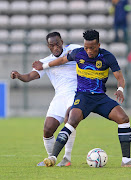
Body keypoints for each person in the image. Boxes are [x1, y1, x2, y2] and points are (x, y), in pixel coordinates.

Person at [32, 29, 131, 168]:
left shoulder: (107, 57)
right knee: (71, 120)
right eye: (86, 47)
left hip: (100, 98)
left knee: (124, 119)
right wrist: (43, 66)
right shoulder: (78, 53)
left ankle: (126, 161)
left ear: (98, 45)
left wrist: (120, 89)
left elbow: (120, 77)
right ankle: (53, 158)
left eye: (92, 48)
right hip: (83, 97)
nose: (89, 51)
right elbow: (61, 60)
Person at [10, 32, 81, 167]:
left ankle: (67, 158)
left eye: (57, 44)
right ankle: (51, 159)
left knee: (69, 118)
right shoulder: (44, 62)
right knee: (47, 129)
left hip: (75, 93)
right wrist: (19, 75)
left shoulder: (72, 49)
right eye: (52, 45)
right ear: (48, 46)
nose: (56, 47)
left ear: (62, 42)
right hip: (60, 96)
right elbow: (30, 76)